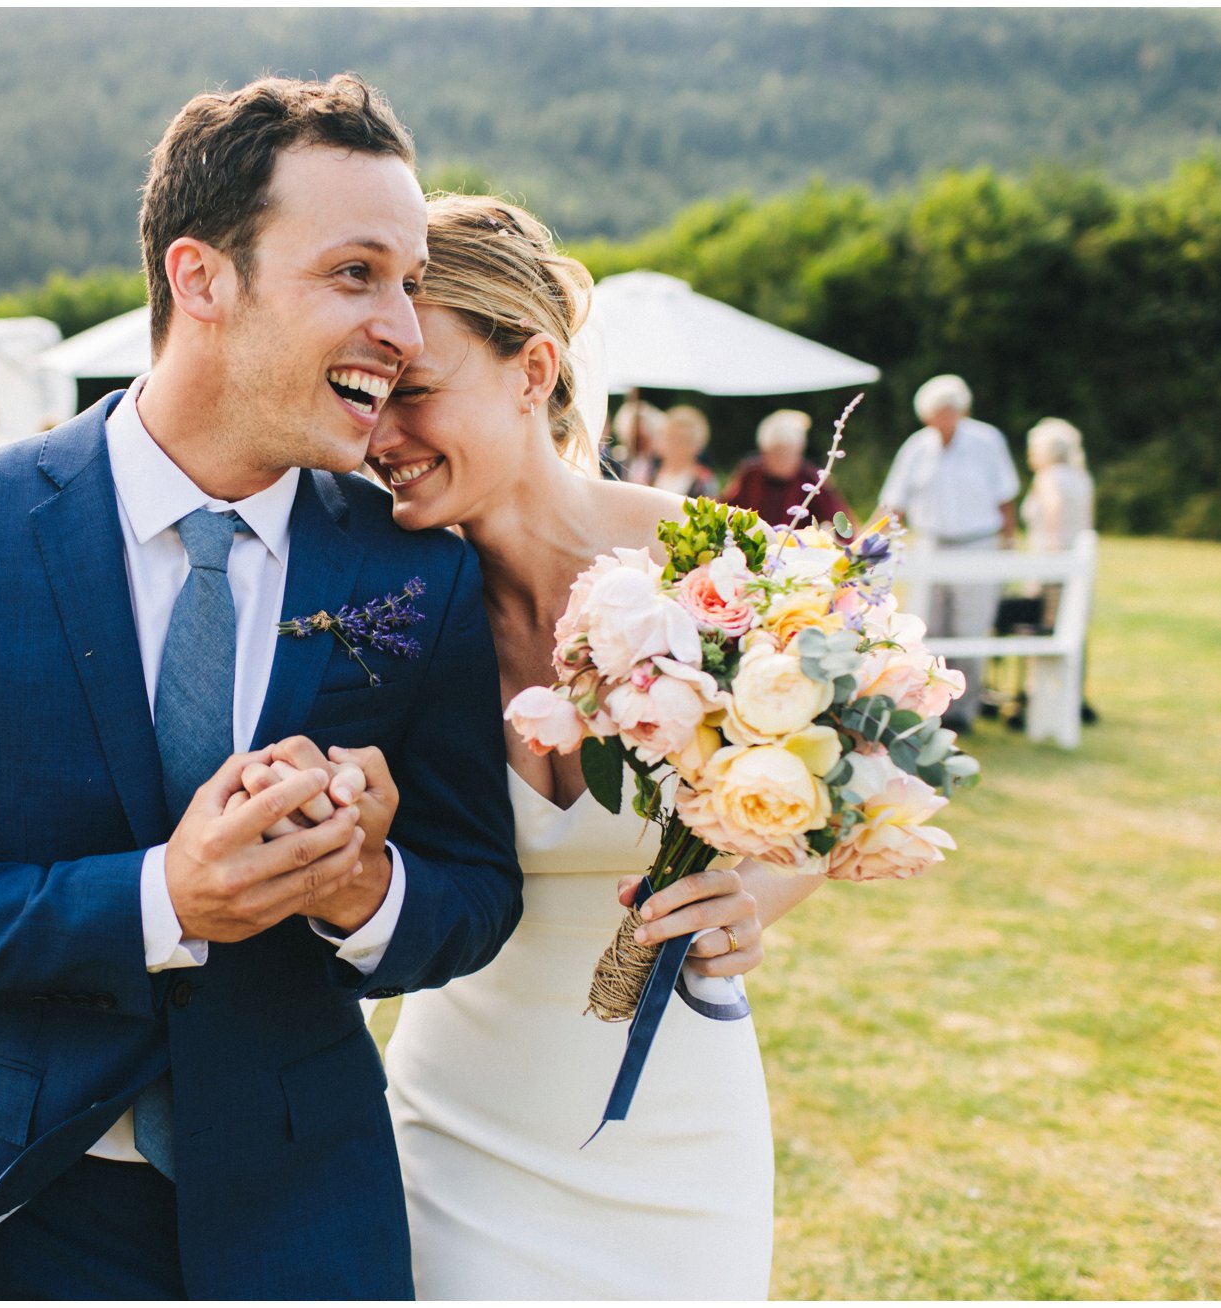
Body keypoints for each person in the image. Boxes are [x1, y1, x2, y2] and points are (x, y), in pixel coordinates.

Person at [0, 74, 521, 1301]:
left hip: (310, 1207)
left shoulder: (420, 571)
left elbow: (474, 892)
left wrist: (365, 885)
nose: (404, 327)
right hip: (21, 1205)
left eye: (408, 281)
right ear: (202, 280)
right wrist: (164, 898)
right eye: (356, 274)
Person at [364, 194, 782, 1300]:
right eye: (367, 397)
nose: (381, 437)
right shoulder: (378, 603)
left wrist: (753, 898)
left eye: (413, 393)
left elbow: (831, 789)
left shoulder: (712, 564)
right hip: (452, 1122)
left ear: (531, 370)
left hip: (674, 1125)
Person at [876, 374, 1021, 732]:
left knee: (971, 626)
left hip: (977, 544)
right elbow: (893, 504)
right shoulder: (917, 447)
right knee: (928, 626)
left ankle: (964, 711)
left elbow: (1005, 498)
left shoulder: (987, 441)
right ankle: (928, 708)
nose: (945, 418)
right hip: (931, 543)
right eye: (938, 412)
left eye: (951, 411)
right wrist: (869, 541)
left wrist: (1009, 543)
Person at [1018, 416, 1099, 723]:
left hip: (1051, 567)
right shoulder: (1081, 477)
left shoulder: (1049, 478)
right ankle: (1074, 695)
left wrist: (1049, 558)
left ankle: (1036, 698)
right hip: (1077, 566)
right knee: (1074, 628)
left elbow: (1054, 513)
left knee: (1043, 629)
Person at [722, 408, 852, 529]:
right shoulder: (751, 475)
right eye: (777, 452)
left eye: (789, 452)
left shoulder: (811, 480)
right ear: (764, 452)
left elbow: (838, 523)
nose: (783, 459)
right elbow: (726, 510)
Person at [645, 403, 721, 498]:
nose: (672, 445)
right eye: (668, 438)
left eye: (680, 440)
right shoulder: (652, 472)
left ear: (695, 445)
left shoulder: (703, 480)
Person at [607, 386, 662, 483]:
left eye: (642, 438)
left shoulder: (659, 465)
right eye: (635, 437)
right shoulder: (617, 462)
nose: (638, 442)